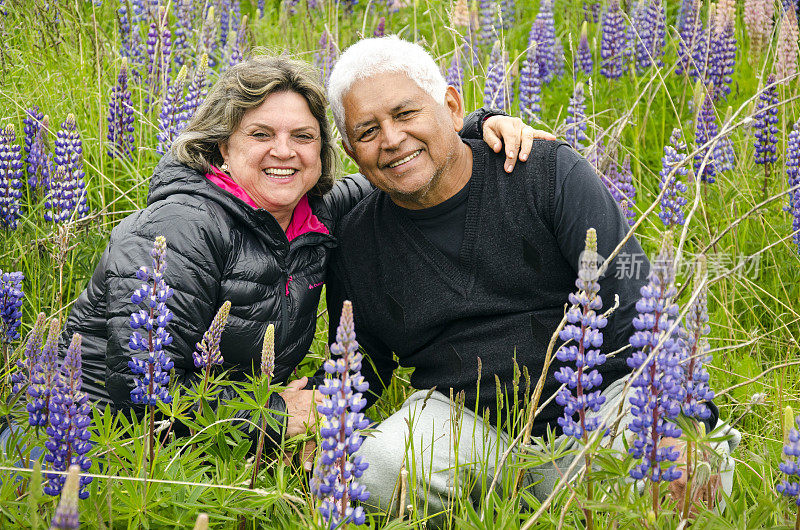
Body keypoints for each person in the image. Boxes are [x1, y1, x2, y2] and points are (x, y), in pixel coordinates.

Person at [313, 36, 736, 521]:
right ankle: (529, 501)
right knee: (366, 473)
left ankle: (592, 489)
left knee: (680, 466)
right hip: (469, 428)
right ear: (349, 150)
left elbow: (640, 314)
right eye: (368, 130)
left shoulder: (546, 172)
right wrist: (309, 419)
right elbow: (359, 366)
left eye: (406, 113)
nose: (391, 139)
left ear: (451, 107)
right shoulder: (356, 239)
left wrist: (677, 422)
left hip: (601, 405)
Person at [54, 55, 547, 447]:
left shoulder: (317, 211)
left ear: (322, 152)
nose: (284, 152)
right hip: (90, 443)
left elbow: (399, 166)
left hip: (223, 437)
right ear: (223, 147)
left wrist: (477, 128)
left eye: (303, 137)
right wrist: (271, 417)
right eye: (261, 135)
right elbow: (138, 393)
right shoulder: (180, 228)